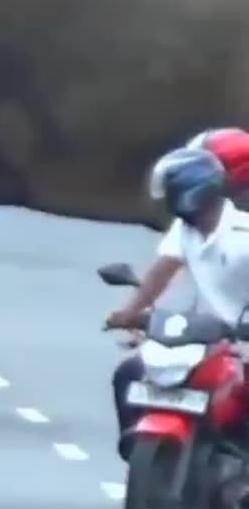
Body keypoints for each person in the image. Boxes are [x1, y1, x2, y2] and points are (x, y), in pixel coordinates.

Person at [105, 146, 249, 459]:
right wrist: (131, 312)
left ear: (193, 192)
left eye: (172, 191)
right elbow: (162, 270)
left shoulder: (244, 234)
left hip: (244, 343)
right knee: (129, 373)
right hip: (204, 340)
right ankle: (142, 455)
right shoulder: (185, 231)